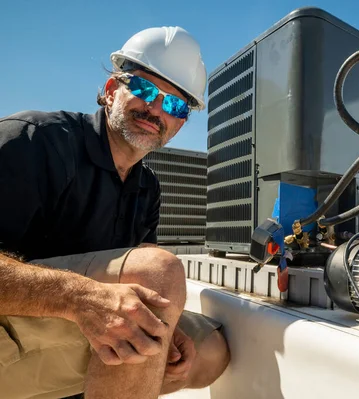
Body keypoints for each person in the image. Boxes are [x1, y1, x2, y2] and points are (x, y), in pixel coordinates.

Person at [0, 26, 230, 398]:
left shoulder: (147, 189)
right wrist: (78, 297)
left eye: (174, 105)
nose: (156, 109)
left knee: (210, 350)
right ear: (111, 91)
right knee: (157, 270)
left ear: (180, 123)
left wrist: (170, 334)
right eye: (143, 89)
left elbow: (143, 296)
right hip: (10, 329)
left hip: (61, 329)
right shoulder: (32, 142)